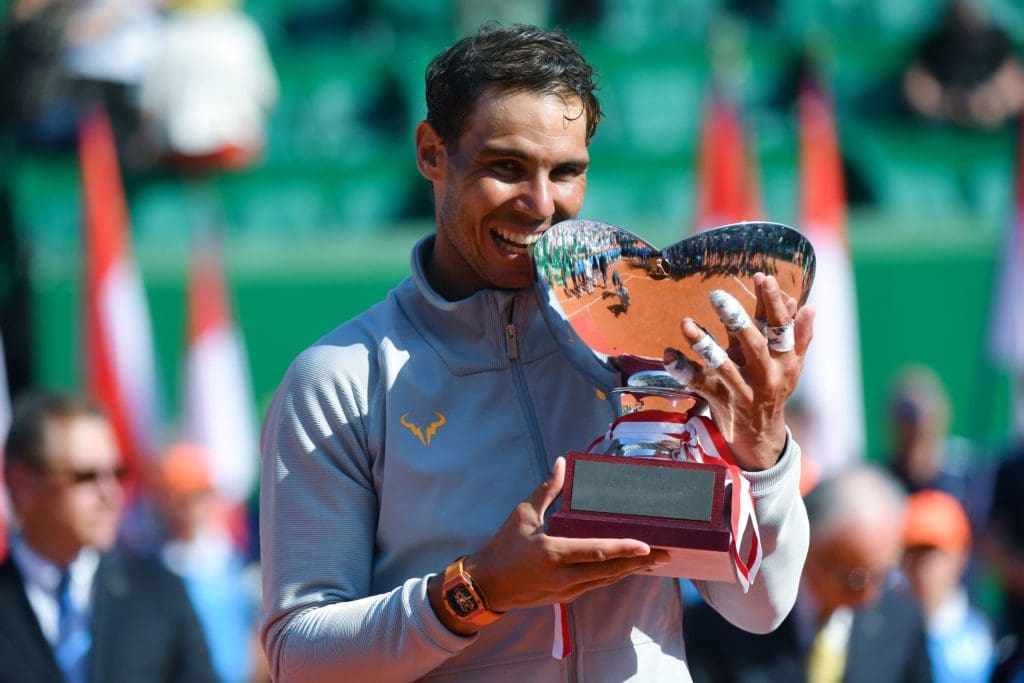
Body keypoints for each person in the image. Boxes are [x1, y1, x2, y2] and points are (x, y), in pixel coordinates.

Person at [260, 22, 815, 682]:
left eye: (567, 171)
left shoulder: (655, 344)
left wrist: (763, 451)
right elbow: (299, 656)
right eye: (506, 167)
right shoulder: (342, 378)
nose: (541, 204)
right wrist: (477, 590)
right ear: (431, 153)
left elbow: (762, 605)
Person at [0, 390, 217, 683]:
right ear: (23, 485)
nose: (111, 493)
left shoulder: (161, 594)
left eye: (117, 473)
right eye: (87, 476)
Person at [684, 466, 932, 683]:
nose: (870, 597)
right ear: (809, 548)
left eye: (882, 576)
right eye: (854, 580)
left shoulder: (902, 624)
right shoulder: (723, 624)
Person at [901, 489, 995, 683]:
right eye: (910, 551)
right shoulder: (874, 624)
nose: (919, 566)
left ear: (961, 557)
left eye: (931, 553)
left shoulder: (979, 640)